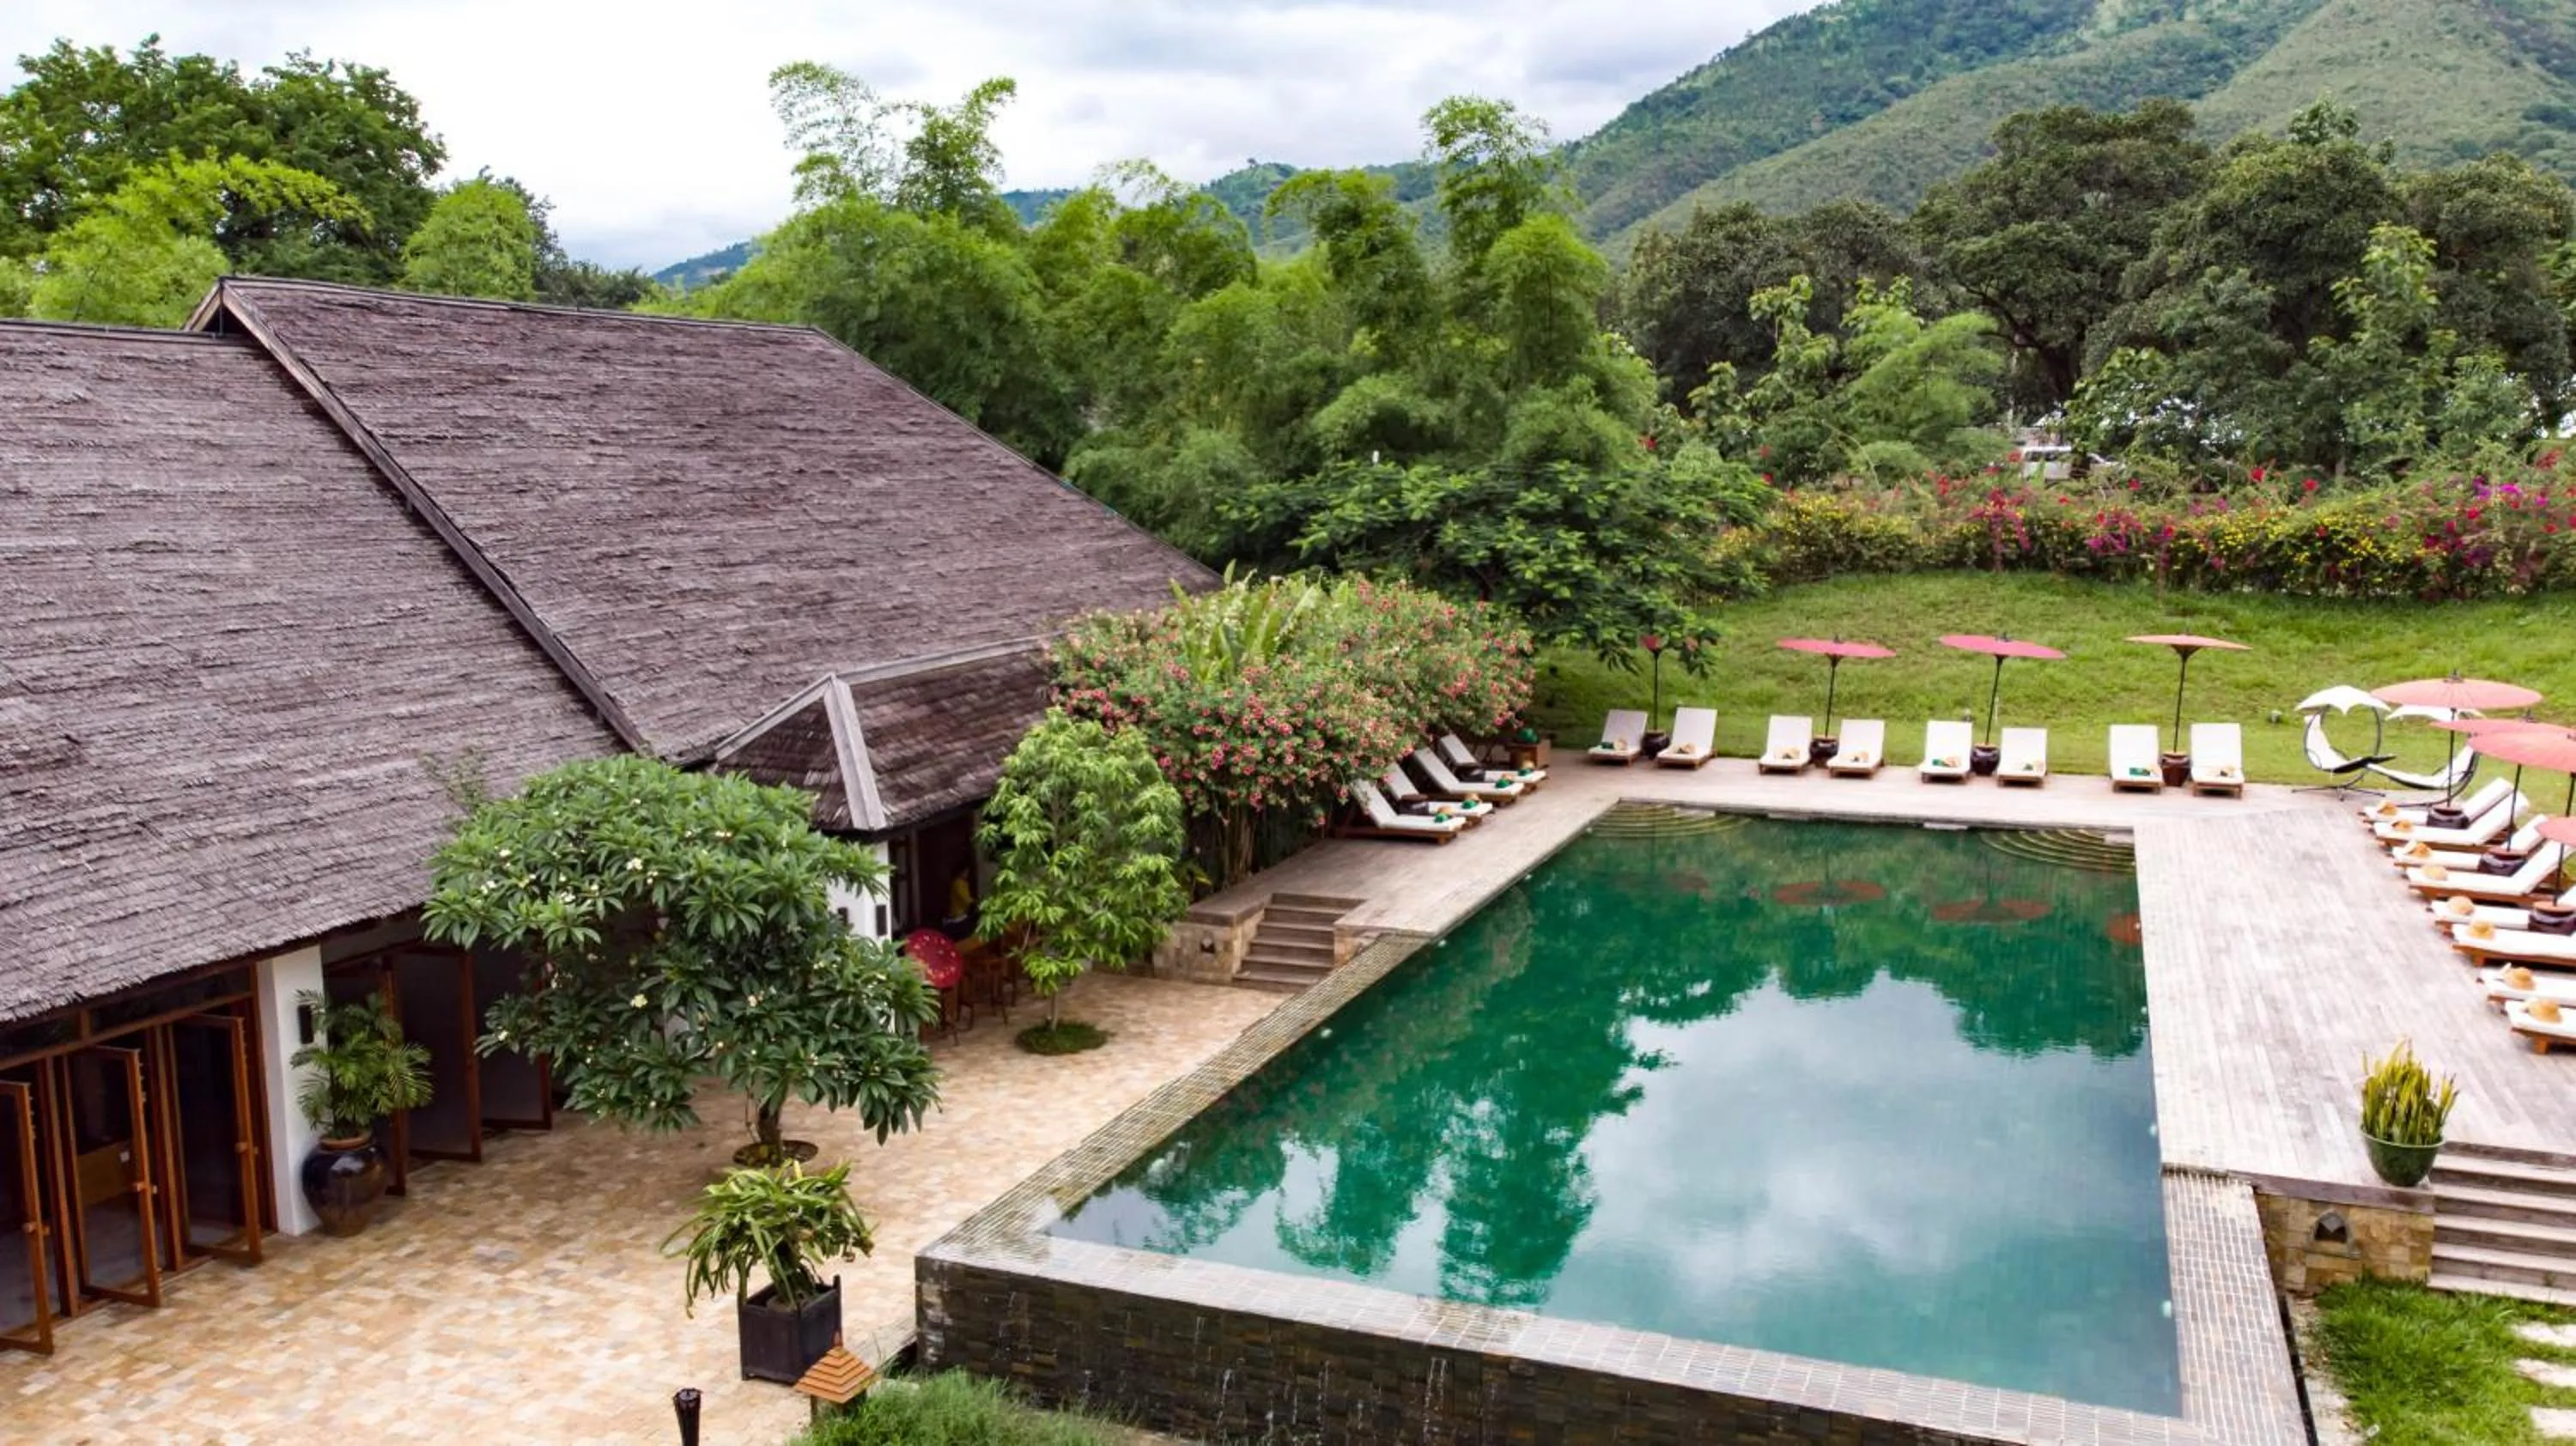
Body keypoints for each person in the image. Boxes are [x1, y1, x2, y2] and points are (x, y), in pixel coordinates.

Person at [940, 867, 979, 940]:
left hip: (962, 913)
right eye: (965, 872)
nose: (967, 874)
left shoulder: (964, 883)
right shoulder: (957, 883)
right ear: (960, 872)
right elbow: (965, 898)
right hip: (958, 915)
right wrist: (976, 902)